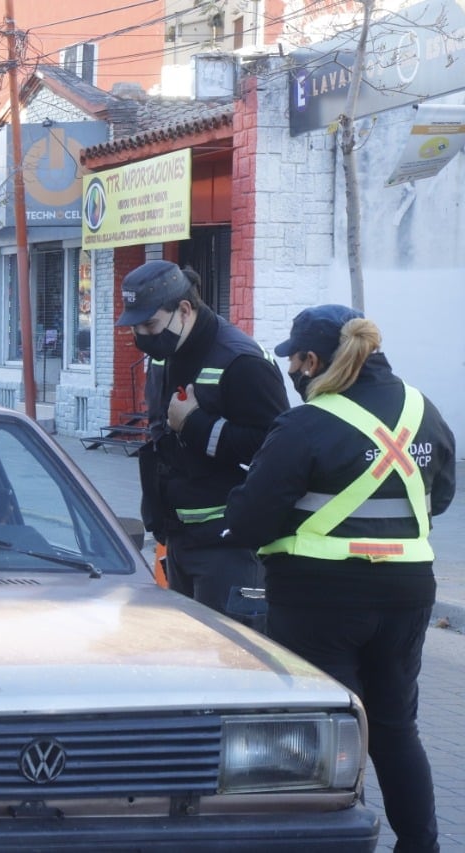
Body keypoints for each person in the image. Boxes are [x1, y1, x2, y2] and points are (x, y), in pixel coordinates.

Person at [222, 305, 455, 853]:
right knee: (395, 727)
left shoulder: (307, 423)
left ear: (312, 360)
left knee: (322, 733)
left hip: (317, 600)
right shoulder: (425, 411)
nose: (293, 374)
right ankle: (420, 845)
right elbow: (438, 498)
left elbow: (252, 517)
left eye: (294, 363)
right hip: (407, 593)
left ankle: (333, 840)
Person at [117, 260, 288, 620]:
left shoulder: (242, 361)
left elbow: (273, 448)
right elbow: (161, 434)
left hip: (229, 544)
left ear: (183, 309)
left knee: (226, 659)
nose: (143, 337)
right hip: (178, 535)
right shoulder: (165, 354)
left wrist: (195, 424)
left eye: (150, 325)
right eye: (137, 328)